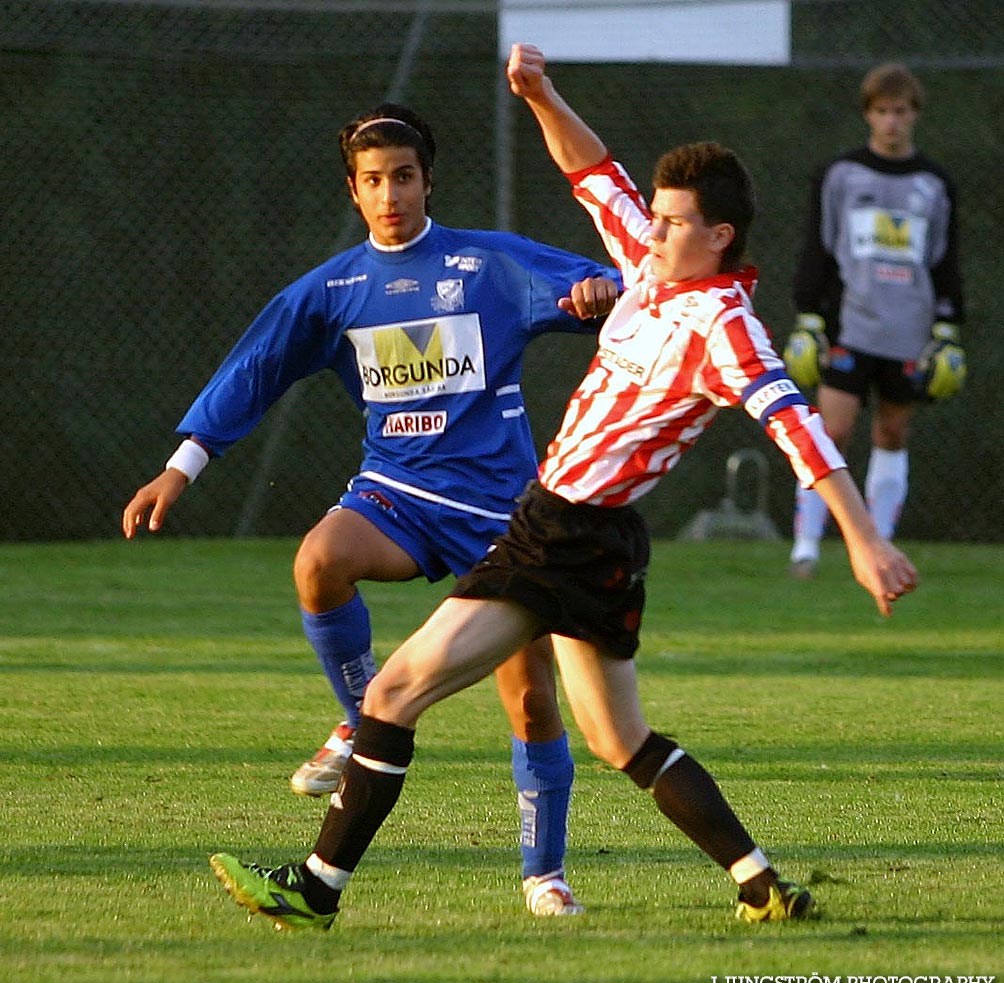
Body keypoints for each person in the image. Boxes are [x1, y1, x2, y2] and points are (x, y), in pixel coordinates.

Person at [207, 44, 918, 932]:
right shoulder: (654, 263)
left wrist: (861, 537)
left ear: (719, 237)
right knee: (622, 740)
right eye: (652, 218)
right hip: (592, 537)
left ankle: (315, 889)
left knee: (390, 698)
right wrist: (543, 96)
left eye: (670, 223)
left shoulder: (725, 327)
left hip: (565, 537)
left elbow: (797, 427)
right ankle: (760, 884)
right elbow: (594, 172)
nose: (648, 233)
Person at [122, 101, 623, 916]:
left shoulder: (489, 266)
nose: (389, 193)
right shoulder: (335, 290)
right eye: (372, 180)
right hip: (396, 493)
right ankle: (360, 721)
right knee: (320, 560)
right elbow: (254, 370)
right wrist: (181, 468)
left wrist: (597, 295)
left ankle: (545, 874)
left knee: (531, 698)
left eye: (403, 177)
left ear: (428, 182)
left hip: (501, 517)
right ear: (353, 192)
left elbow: (613, 291)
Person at [783, 62, 966, 578]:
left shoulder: (934, 183)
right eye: (882, 111)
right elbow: (817, 248)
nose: (892, 121)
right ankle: (806, 547)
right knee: (829, 432)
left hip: (909, 326)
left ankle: (878, 546)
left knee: (891, 433)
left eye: (901, 111)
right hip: (848, 323)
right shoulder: (841, 174)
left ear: (915, 115)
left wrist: (948, 326)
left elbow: (946, 258)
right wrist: (809, 315)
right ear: (868, 114)